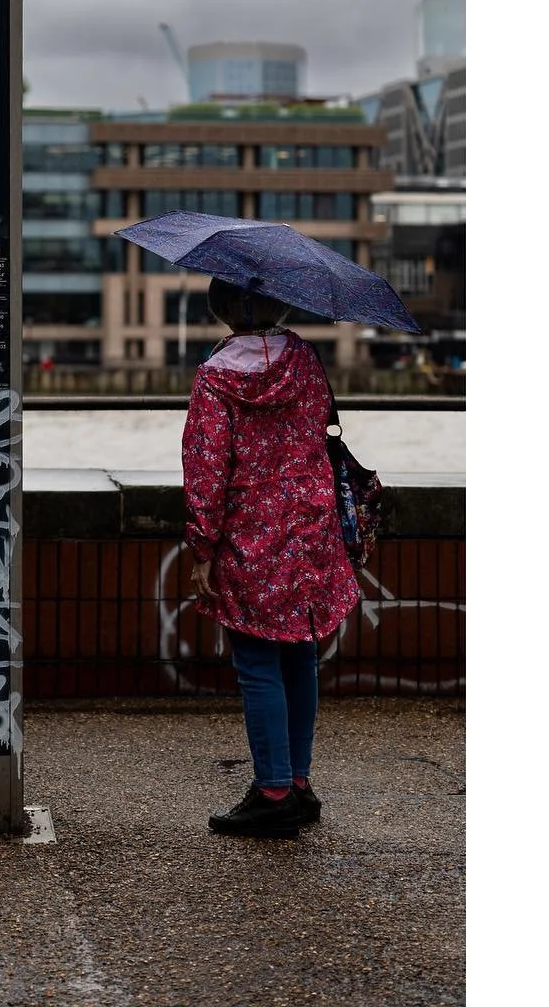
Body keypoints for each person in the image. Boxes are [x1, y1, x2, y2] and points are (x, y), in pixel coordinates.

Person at [181, 278, 361, 839]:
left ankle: (272, 791)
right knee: (299, 657)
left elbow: (207, 467)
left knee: (257, 663)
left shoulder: (216, 376)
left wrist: (202, 548)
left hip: (251, 533)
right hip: (310, 530)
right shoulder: (306, 360)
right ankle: (298, 783)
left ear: (224, 309)